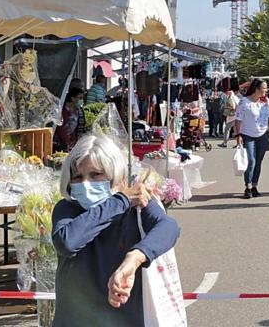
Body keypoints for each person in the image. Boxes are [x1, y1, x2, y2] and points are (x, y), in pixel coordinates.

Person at [52, 134, 180, 325]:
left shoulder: (137, 206)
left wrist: (134, 258)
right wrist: (121, 201)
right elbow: (67, 242)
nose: (86, 184)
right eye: (78, 177)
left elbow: (169, 228)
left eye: (96, 175)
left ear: (115, 174)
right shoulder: (67, 209)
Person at [234, 79, 269, 199]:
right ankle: (248, 186)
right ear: (256, 89)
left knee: (258, 162)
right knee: (251, 161)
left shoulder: (265, 101)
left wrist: (268, 127)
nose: (265, 91)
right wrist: (238, 135)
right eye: (264, 88)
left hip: (262, 135)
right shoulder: (244, 102)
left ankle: (255, 185)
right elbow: (238, 119)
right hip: (248, 135)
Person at [57, 87, 87, 152]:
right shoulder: (63, 110)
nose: (81, 100)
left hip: (72, 142)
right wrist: (68, 142)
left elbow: (75, 128)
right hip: (61, 142)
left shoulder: (77, 110)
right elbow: (61, 129)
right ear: (72, 98)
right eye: (80, 98)